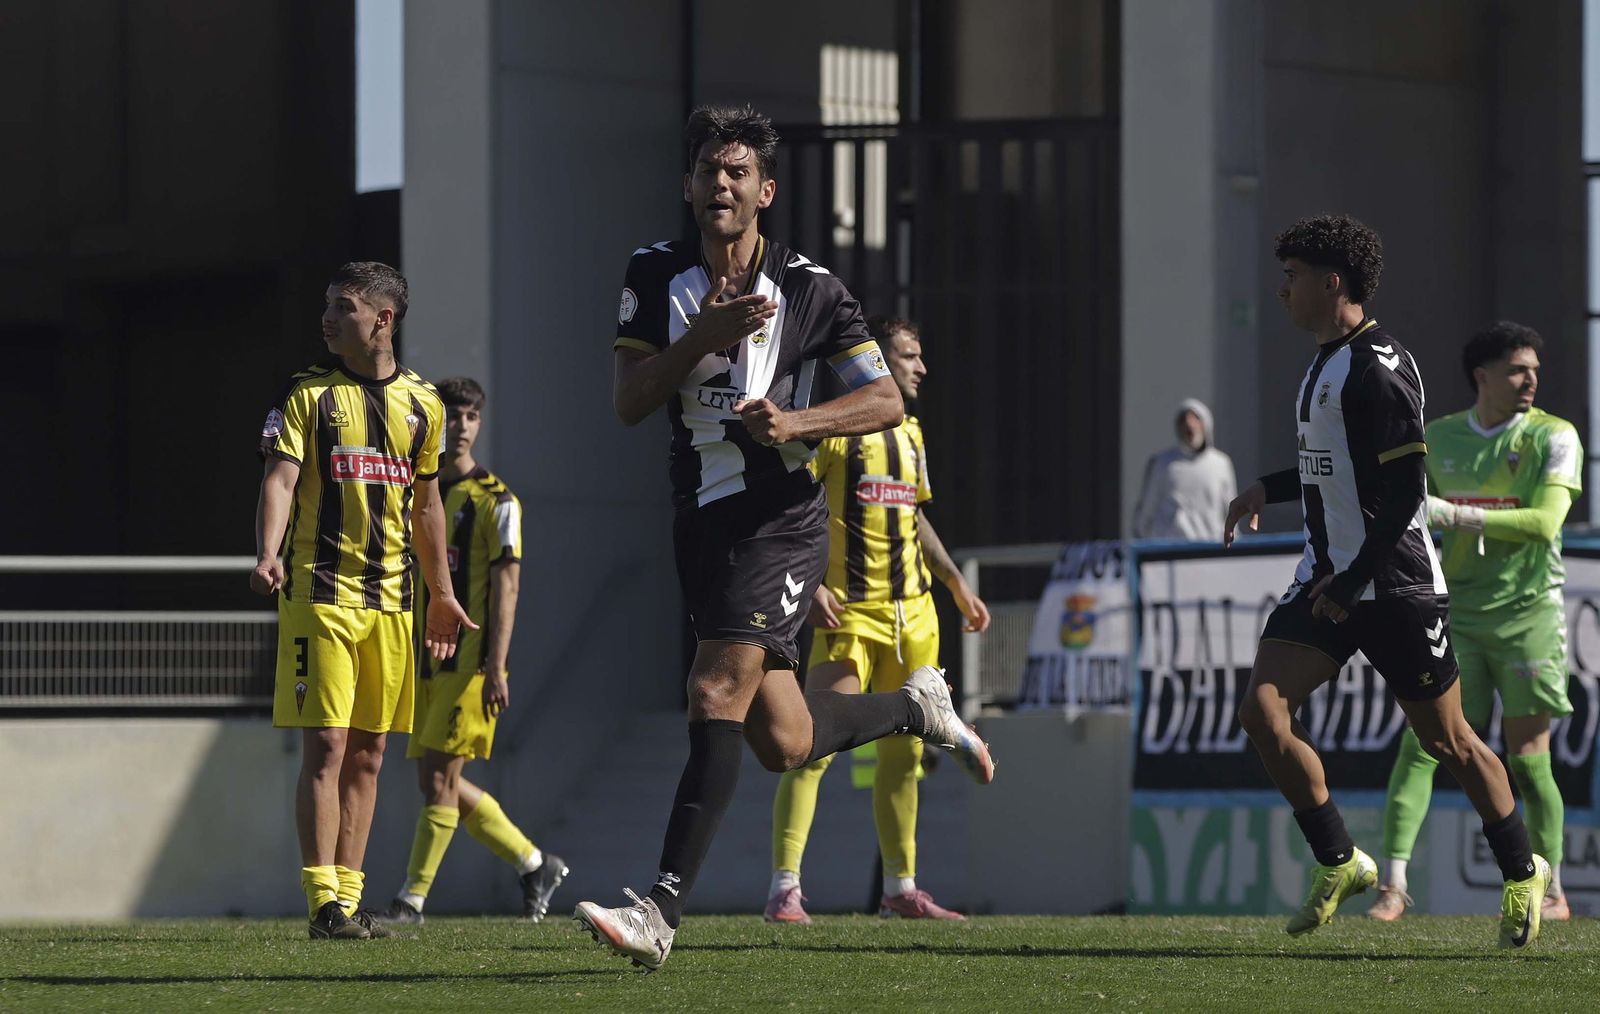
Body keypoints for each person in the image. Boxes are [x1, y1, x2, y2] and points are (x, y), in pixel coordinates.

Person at [573, 105, 994, 972]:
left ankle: (660, 910)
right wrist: (702, 336)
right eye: (705, 171)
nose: (719, 185)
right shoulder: (654, 274)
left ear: (766, 190)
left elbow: (885, 401)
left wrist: (797, 419)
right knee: (786, 741)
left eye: (736, 173)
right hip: (700, 519)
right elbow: (626, 403)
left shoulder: (814, 288)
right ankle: (917, 707)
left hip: (781, 518)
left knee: (714, 690)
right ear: (688, 185)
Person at [1224, 215, 1550, 949]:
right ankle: (1340, 860)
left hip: (1394, 585)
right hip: (1326, 578)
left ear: (1331, 283)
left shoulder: (1380, 365)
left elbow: (1405, 492)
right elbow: (1334, 466)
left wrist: (1355, 581)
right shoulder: (1320, 363)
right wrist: (1263, 488)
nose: (1282, 291)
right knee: (1262, 714)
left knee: (1450, 744)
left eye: (1293, 277)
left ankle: (1522, 869)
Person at [252, 261, 473, 940]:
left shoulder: (424, 405)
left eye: (342, 306)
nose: (327, 317)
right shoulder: (306, 396)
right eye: (326, 304)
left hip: (391, 601)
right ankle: (321, 899)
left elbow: (428, 507)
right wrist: (267, 550)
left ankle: (348, 900)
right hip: (320, 595)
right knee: (327, 743)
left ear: (385, 319)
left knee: (371, 751)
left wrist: (442, 594)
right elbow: (281, 481)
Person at [765, 317, 992, 925]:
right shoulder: (837, 433)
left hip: (915, 617)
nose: (921, 367)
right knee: (811, 744)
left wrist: (955, 583)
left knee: (904, 758)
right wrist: (808, 584)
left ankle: (901, 888)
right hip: (851, 614)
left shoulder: (912, 435)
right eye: (909, 356)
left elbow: (915, 520)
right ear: (878, 364)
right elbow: (791, 510)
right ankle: (784, 889)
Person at [1369, 322, 1580, 923]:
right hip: (1454, 613)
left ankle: (1555, 889)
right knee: (1422, 747)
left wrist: (1457, 515)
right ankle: (1392, 887)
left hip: (1527, 616)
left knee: (1530, 760)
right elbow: (1400, 507)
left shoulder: (1555, 436)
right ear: (1481, 376)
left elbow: (1545, 524)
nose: (1531, 378)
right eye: (1518, 368)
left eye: (1535, 369)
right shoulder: (1438, 439)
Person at [376, 377, 569, 926]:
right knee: (438, 781)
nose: (460, 427)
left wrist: (496, 666)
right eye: (452, 416)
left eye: (470, 417)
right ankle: (534, 864)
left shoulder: (499, 501)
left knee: (439, 779)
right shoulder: (419, 490)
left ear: (479, 424)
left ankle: (410, 903)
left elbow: (507, 588)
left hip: (471, 665)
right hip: (422, 661)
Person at [1132, 399, 1237, 541]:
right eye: (1184, 421)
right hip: (1170, 554)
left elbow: (1231, 513)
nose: (1190, 425)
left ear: (1206, 425)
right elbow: (1146, 515)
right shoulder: (1163, 463)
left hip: (1211, 552)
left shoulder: (1221, 464)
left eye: (1196, 419)